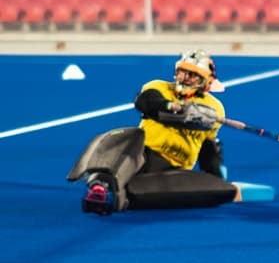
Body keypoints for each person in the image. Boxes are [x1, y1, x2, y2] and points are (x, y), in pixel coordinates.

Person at [68, 49, 241, 214]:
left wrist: (215, 178)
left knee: (194, 181)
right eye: (182, 72)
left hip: (175, 165)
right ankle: (101, 188)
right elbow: (146, 101)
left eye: (193, 75)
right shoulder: (159, 86)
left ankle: (120, 194)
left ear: (205, 81)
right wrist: (172, 107)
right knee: (128, 136)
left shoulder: (215, 108)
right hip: (142, 153)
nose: (185, 78)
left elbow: (208, 146)